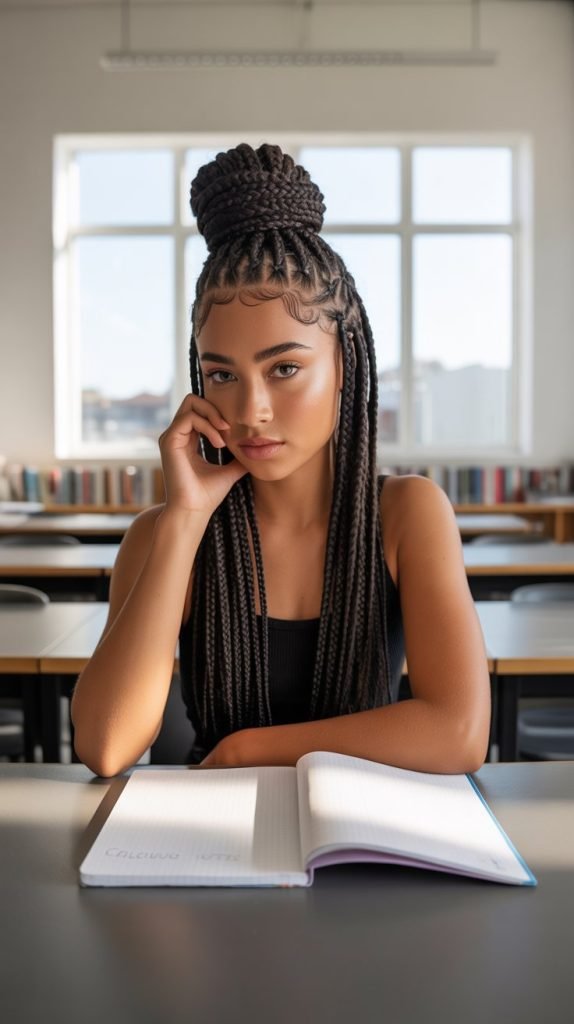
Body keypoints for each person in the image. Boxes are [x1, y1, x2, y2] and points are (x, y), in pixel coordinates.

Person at [71, 142, 491, 778]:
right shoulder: (161, 534)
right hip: (208, 838)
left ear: (344, 366)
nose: (251, 411)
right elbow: (105, 746)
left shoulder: (407, 512)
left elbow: (457, 731)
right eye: (222, 375)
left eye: (285, 368)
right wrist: (184, 520)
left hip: (361, 836)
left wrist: (249, 749)